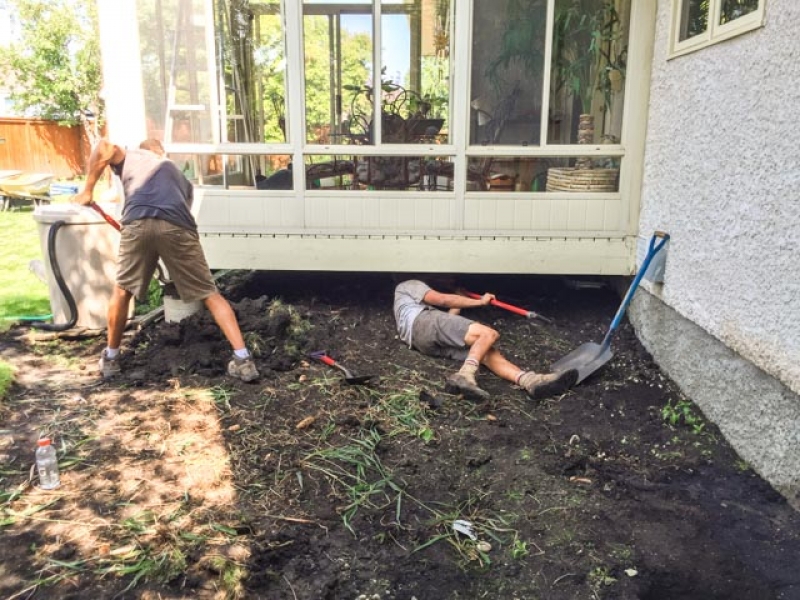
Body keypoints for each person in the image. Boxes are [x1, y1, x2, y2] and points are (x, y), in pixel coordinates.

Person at [74, 138, 259, 382]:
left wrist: (87, 189)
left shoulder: (133, 156)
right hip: (177, 226)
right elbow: (180, 217)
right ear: (162, 153)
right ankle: (243, 359)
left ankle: (111, 358)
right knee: (209, 293)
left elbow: (104, 147)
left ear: (143, 150)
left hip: (137, 222)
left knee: (122, 291)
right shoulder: (180, 178)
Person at [394, 279, 578, 401]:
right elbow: (442, 300)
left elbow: (448, 320)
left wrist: (462, 298)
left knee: (484, 350)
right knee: (488, 334)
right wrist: (480, 301)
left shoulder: (409, 307)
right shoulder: (409, 284)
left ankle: (529, 381)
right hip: (422, 322)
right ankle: (464, 375)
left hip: (420, 341)